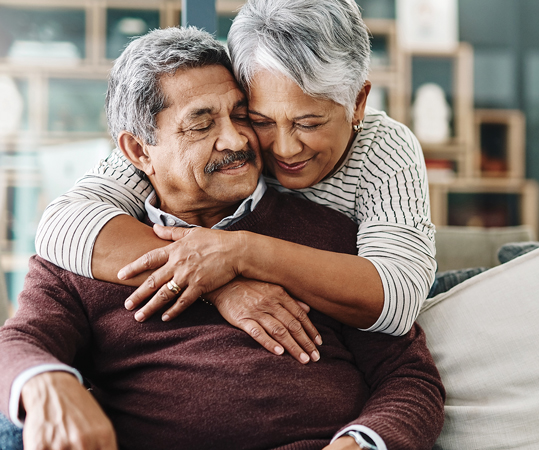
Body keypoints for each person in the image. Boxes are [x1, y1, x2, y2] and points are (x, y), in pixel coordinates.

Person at [0, 27, 444, 450]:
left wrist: (361, 442)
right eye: (201, 124)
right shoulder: (87, 250)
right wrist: (45, 383)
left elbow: (409, 377)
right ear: (138, 152)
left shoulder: (331, 235)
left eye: (239, 114)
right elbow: (18, 344)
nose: (235, 139)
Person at [35, 0, 436, 364]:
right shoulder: (229, 142)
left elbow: (399, 301)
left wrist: (240, 253)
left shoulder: (383, 149)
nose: (283, 149)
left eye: (309, 123)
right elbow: (62, 224)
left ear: (359, 103)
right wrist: (221, 283)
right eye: (260, 120)